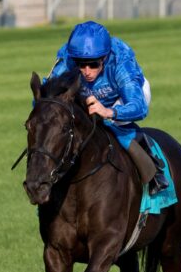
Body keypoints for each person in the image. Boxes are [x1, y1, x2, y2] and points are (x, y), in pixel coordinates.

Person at [43, 21, 168, 195]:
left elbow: (139, 107)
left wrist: (109, 112)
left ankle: (153, 170)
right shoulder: (68, 58)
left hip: (124, 97)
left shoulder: (120, 61)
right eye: (81, 64)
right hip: (88, 95)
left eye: (93, 64)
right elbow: (47, 92)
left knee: (112, 124)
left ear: (104, 57)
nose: (86, 71)